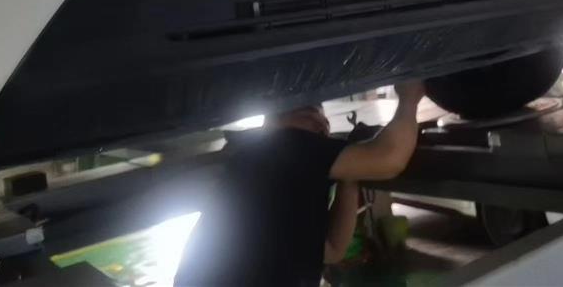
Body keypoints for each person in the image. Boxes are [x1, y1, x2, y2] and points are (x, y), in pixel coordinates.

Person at [175, 81, 425, 286]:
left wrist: (349, 177)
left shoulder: (267, 173)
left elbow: (333, 249)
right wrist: (409, 98)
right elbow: (390, 158)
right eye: (309, 114)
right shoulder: (277, 146)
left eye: (324, 125)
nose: (321, 126)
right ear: (272, 119)